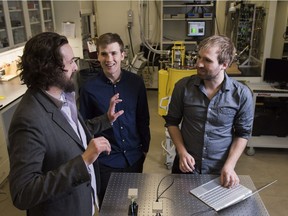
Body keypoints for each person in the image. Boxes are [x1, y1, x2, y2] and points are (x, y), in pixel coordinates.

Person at [8, 32, 123, 216]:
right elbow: (23, 193)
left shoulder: (63, 95)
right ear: (50, 69)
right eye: (70, 62)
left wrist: (106, 120)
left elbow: (70, 134)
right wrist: (84, 161)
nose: (76, 67)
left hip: (83, 204)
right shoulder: (28, 119)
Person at [164, 35, 254, 188]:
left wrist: (230, 165)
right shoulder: (183, 87)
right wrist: (181, 152)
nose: (198, 64)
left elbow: (243, 133)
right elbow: (172, 122)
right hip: (185, 166)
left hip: (220, 170)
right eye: (199, 57)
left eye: (207, 60)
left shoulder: (241, 94)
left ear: (224, 65)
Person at [79, 33, 151, 204]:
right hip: (106, 161)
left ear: (123, 55)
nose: (109, 59)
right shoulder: (89, 88)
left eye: (113, 53)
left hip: (134, 157)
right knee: (109, 206)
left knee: (133, 202)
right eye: (104, 54)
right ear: (98, 56)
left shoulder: (136, 83)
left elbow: (143, 118)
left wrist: (144, 149)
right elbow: (84, 128)